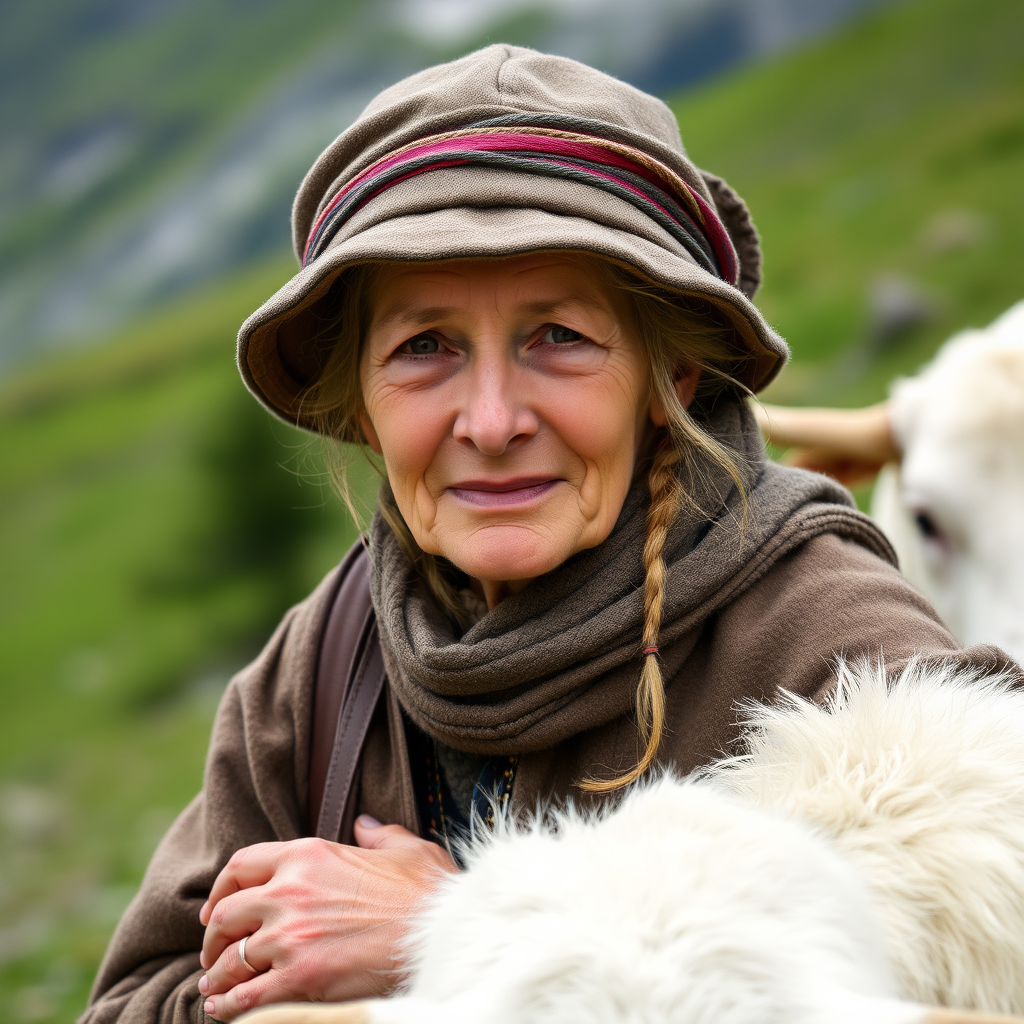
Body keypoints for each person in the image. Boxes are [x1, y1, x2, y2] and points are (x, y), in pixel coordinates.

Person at [81, 45, 1013, 1024]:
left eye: (558, 337)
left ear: (671, 375)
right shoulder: (317, 674)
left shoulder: (827, 635)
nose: (489, 421)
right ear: (359, 397)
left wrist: (450, 935)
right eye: (423, 348)